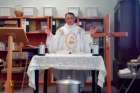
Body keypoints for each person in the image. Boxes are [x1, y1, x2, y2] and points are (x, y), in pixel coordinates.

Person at [45, 12, 93, 89]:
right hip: (64, 55)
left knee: (77, 71)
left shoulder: (80, 30)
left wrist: (90, 35)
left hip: (77, 55)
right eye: (68, 18)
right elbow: (54, 41)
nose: (70, 20)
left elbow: (85, 41)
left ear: (74, 19)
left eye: (71, 18)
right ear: (65, 19)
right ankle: (64, 88)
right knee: (64, 70)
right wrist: (49, 35)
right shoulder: (60, 30)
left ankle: (78, 88)